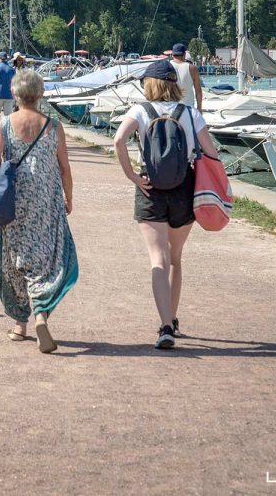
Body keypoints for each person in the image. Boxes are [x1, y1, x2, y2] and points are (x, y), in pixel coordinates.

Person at [112, 59, 218, 350]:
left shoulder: (140, 111)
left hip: (150, 188)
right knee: (175, 258)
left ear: (150, 84)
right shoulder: (190, 113)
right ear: (174, 84)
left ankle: (165, 327)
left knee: (157, 258)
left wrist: (133, 176)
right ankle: (173, 317)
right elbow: (211, 152)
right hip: (184, 188)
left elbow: (118, 140)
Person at [0, 69, 76, 353]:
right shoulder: (54, 125)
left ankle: (19, 324)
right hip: (46, 202)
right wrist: (68, 196)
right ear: (40, 95)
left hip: (15, 202)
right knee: (46, 258)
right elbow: (64, 167)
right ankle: (41, 315)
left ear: (14, 94)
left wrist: (2, 177)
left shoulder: (3, 123)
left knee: (13, 258)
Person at [170, 43, 204, 110]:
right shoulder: (192, 68)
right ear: (184, 54)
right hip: (188, 108)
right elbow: (198, 92)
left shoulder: (166, 66)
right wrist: (199, 108)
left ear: (172, 55)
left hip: (171, 107)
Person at [0, 51, 17, 119]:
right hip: (9, 95)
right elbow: (15, 82)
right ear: (6, 59)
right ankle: (6, 128)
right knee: (8, 115)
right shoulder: (12, 69)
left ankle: (0, 126)